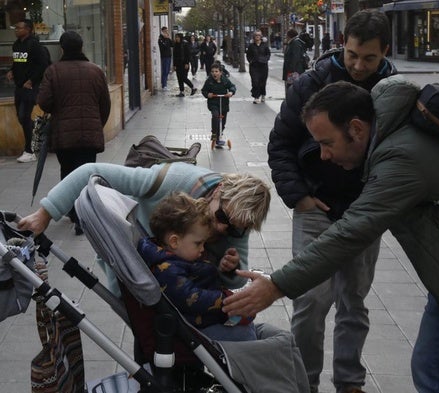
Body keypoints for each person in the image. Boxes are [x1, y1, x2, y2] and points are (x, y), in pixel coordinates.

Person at [224, 78, 439, 393]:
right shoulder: (393, 124)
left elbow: (352, 231)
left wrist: (277, 285)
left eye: (327, 143)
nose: (323, 155)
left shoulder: (401, 158)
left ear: (356, 129)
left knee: (432, 368)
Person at [267, 10, 396, 393]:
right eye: (353, 54)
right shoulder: (312, 82)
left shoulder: (393, 90)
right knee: (310, 300)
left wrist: (376, 203)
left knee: (353, 300)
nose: (358, 65)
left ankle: (349, 383)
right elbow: (281, 143)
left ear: (384, 52)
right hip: (316, 206)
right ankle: (304, 382)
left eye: (369, 58)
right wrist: (300, 197)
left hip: (363, 211)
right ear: (343, 44)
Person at [18, 162, 271, 293]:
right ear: (218, 191)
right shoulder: (174, 180)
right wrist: (46, 213)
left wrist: (231, 268)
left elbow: (239, 279)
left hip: (175, 277)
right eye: (222, 217)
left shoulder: (238, 220)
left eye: (235, 229)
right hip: (130, 255)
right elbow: (91, 171)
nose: (222, 229)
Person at [138, 192, 256, 341]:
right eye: (198, 243)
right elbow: (189, 298)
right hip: (194, 331)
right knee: (247, 335)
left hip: (205, 320)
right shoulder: (167, 269)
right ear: (174, 241)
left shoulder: (178, 258)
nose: (202, 249)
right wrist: (223, 299)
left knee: (249, 328)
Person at [36, 31, 111, 236]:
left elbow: (44, 102)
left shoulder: (53, 71)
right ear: (81, 47)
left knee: (68, 173)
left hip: (64, 135)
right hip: (89, 135)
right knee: (87, 173)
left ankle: (74, 213)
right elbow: (105, 104)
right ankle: (84, 214)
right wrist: (96, 124)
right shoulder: (95, 71)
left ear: (62, 48)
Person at [6, 19, 49, 163]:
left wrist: (31, 80)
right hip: (19, 87)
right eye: (15, 27)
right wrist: (12, 71)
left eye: (19, 27)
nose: (16, 30)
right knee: (21, 117)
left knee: (24, 116)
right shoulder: (17, 45)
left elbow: (43, 65)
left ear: (28, 29)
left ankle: (30, 150)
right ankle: (38, 140)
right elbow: (17, 62)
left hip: (31, 87)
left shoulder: (35, 45)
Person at [201, 62, 236, 148]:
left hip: (224, 103)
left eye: (216, 71)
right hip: (213, 103)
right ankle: (214, 134)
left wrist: (231, 92)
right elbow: (204, 90)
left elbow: (232, 86)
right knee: (215, 116)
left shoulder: (225, 80)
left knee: (222, 122)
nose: (214, 73)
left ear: (220, 72)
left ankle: (218, 137)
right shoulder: (209, 81)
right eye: (212, 71)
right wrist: (208, 94)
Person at [246, 30, 271, 104]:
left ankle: (263, 94)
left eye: (259, 35)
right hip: (254, 66)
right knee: (255, 81)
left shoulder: (265, 45)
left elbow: (268, 54)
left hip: (263, 66)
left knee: (262, 82)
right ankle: (256, 96)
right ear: (254, 37)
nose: (257, 36)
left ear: (261, 36)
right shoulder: (251, 46)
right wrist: (250, 61)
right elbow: (248, 55)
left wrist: (265, 59)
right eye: (256, 35)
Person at [282, 29, 307, 95]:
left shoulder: (295, 43)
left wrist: (291, 71)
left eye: (286, 35)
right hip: (293, 71)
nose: (285, 37)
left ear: (289, 36)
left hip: (294, 72)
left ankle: (292, 101)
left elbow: (295, 58)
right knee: (291, 87)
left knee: (292, 88)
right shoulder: (293, 42)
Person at [173, 33, 196, 97]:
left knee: (183, 78)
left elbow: (188, 55)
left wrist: (187, 63)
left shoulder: (185, 44)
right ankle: (182, 92)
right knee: (179, 78)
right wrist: (174, 65)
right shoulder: (175, 45)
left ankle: (193, 87)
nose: (176, 38)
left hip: (184, 64)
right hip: (178, 64)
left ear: (180, 38)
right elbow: (174, 55)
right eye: (176, 37)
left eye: (178, 37)